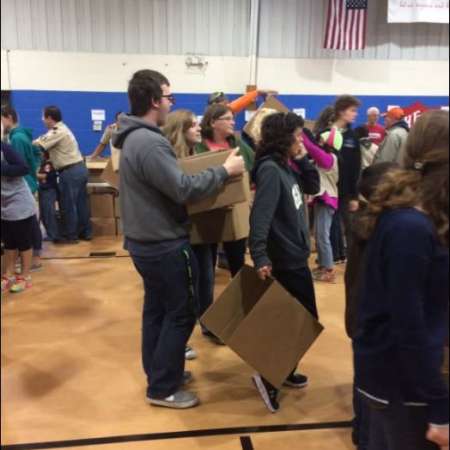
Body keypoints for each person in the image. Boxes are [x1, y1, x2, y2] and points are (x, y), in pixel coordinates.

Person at [111, 69, 245, 410]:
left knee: (156, 310)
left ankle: (159, 372)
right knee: (181, 314)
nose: (172, 103)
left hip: (145, 241)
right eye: (170, 97)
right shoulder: (150, 142)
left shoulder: (134, 138)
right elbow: (183, 189)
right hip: (162, 242)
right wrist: (224, 172)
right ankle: (162, 388)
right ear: (156, 101)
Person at [353, 110, 449, 450]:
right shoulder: (410, 226)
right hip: (402, 383)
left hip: (403, 376)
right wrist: (439, 404)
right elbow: (406, 322)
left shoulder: (416, 215)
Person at [249, 112, 320, 413]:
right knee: (298, 321)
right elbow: (260, 216)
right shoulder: (269, 170)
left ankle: (284, 370)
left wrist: (303, 159)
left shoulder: (285, 166)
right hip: (284, 258)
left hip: (295, 255)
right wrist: (261, 254)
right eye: (298, 136)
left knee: (295, 320)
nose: (301, 140)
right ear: (284, 138)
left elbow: (314, 186)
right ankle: (268, 378)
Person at [344, 162, 400, 450]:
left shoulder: (365, 222)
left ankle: (361, 432)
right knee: (374, 389)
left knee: (363, 380)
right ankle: (365, 436)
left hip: (360, 317)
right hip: (373, 320)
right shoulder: (385, 231)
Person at [162, 109, 207, 358]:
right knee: (177, 303)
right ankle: (174, 351)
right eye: (193, 125)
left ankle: (178, 346)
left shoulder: (193, 155)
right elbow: (184, 192)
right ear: (180, 130)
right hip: (173, 238)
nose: (198, 129)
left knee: (188, 296)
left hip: (190, 233)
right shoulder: (172, 162)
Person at [195, 104, 255, 278]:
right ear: (213, 122)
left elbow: (255, 166)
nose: (233, 122)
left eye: (232, 118)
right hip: (208, 210)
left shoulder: (237, 143)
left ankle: (239, 297)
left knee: (237, 260)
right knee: (207, 261)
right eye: (227, 119)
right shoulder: (200, 145)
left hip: (236, 210)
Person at [33, 106, 91, 243]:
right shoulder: (65, 129)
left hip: (70, 171)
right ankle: (86, 232)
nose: (42, 120)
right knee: (81, 204)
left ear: (49, 118)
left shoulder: (57, 131)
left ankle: (71, 236)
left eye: (43, 117)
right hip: (80, 168)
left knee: (67, 205)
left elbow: (37, 145)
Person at [1, 106, 43, 271]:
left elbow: (20, 167)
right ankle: (30, 259)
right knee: (23, 228)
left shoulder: (17, 138)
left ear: (9, 117)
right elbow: (36, 152)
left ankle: (35, 259)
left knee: (28, 227)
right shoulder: (18, 135)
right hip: (21, 185)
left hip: (20, 187)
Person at [303, 127, 342, 284]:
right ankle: (323, 267)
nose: (318, 143)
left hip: (327, 201)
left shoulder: (328, 158)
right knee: (319, 234)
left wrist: (301, 133)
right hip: (323, 200)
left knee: (322, 235)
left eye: (321, 140)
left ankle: (328, 269)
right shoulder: (329, 158)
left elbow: (311, 148)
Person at [1, 140, 37, 293]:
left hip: (19, 202)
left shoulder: (5, 149)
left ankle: (25, 276)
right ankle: (8, 274)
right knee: (9, 242)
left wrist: (3, 168)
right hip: (4, 204)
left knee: (23, 241)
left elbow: (23, 167)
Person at [330, 95, 362, 263]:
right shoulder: (326, 132)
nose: (355, 114)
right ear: (342, 112)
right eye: (352, 110)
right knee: (329, 226)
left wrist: (355, 196)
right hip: (328, 189)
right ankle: (333, 256)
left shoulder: (353, 137)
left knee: (350, 226)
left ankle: (353, 257)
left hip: (346, 192)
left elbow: (356, 168)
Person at [37, 156, 60, 242]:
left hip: (48, 191)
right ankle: (50, 233)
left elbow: (44, 176)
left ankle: (53, 235)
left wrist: (33, 173)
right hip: (43, 191)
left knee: (49, 213)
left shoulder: (48, 164)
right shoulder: (42, 163)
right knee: (44, 214)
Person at [208, 89, 278, 115]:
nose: (226, 102)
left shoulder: (229, 108)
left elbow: (243, 99)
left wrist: (258, 92)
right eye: (223, 101)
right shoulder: (229, 109)